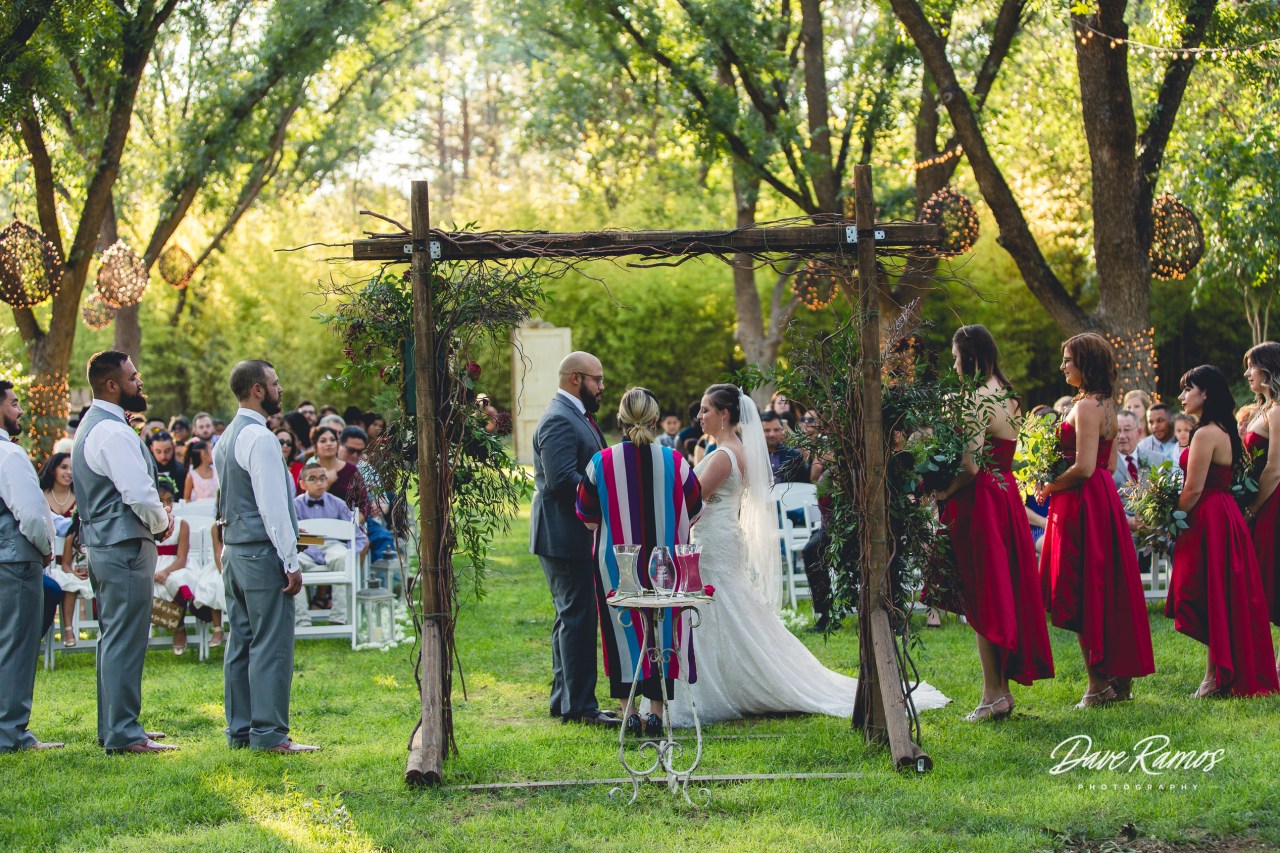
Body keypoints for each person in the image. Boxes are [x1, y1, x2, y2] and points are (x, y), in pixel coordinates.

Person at [668, 384, 949, 726]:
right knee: (726, 608)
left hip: (714, 541)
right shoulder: (733, 450)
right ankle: (720, 677)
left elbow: (691, 500)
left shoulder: (723, 455)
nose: (700, 416)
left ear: (724, 414)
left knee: (719, 607)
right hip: (719, 537)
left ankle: (719, 683)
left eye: (705, 410)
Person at [929, 326, 1054, 721]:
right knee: (1000, 591)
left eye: (955, 357)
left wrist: (943, 492)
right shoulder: (1008, 394)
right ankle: (1000, 692)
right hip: (1005, 495)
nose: (953, 365)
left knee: (982, 595)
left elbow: (969, 465)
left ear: (969, 357)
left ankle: (992, 696)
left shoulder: (975, 398)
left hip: (979, 500)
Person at [575, 388, 703, 737]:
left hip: (617, 564)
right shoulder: (675, 461)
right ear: (656, 420)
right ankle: (657, 713)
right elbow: (695, 509)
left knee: (622, 630)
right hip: (666, 564)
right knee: (662, 630)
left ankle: (629, 713)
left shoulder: (600, 462)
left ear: (620, 420)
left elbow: (587, 516)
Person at [1037, 335, 1155, 708]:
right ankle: (1116, 680)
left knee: (1082, 588)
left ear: (1084, 364)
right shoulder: (1107, 406)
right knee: (1103, 588)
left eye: (1067, 360)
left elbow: (1086, 467)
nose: (1062, 366)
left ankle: (1098, 686)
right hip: (1099, 499)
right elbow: (1110, 463)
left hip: (1082, 501)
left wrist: (1049, 485)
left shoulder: (1087, 406)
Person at [72, 351, 177, 754]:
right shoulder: (112, 431)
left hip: (105, 543)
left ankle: (114, 724)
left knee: (113, 636)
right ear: (112, 385)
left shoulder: (93, 425)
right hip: (125, 545)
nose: (140, 382)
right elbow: (138, 492)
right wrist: (161, 522)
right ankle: (125, 732)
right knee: (126, 639)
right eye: (133, 377)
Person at [215, 359, 318, 753]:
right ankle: (270, 734)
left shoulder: (226, 437)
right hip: (260, 552)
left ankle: (241, 730)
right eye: (275, 383)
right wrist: (290, 561)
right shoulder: (260, 438)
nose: (280, 389)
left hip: (234, 550)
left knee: (240, 642)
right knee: (271, 644)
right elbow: (273, 506)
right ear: (257, 389)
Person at [1167, 366, 1278, 697]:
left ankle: (1214, 677)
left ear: (1205, 393)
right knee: (1218, 593)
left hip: (1209, 516)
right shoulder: (1225, 429)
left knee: (1206, 591)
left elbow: (1193, 489)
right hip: (1224, 513)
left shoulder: (1205, 434)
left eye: (1188, 389)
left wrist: (1171, 519)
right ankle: (1214, 674)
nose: (1182, 396)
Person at [529, 351, 618, 727]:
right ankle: (580, 707)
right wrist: (611, 496)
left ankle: (564, 699)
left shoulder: (575, 415)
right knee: (578, 618)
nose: (602, 387)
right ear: (575, 378)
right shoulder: (559, 419)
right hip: (563, 534)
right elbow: (562, 479)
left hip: (570, 534)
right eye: (597, 380)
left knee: (571, 616)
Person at [0, 379, 62, 753]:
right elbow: (31, 513)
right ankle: (11, 734)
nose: (20, 409)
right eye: (13, 403)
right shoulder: (9, 454)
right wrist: (45, 549)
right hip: (14, 560)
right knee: (17, 647)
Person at [293, 461, 367, 627]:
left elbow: (358, 537)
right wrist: (315, 554)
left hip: (333, 547)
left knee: (342, 558)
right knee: (293, 563)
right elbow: (292, 536)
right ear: (303, 484)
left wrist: (350, 553)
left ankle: (339, 618)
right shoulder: (295, 505)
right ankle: (302, 620)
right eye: (313, 479)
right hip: (306, 550)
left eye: (322, 478)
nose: (319, 482)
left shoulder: (338, 504)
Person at [1242, 341, 1280, 629]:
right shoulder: (1264, 409)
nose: (1247, 373)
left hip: (1272, 501)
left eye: (1251, 366)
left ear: (1268, 368)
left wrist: (1252, 510)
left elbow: (1275, 469)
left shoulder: (1278, 411)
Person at [40, 453, 84, 646]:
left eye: (72, 468)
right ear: (53, 469)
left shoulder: (81, 498)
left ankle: (70, 631)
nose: (69, 472)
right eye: (64, 467)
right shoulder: (40, 496)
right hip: (47, 563)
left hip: (73, 562)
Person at [151, 476, 197, 655]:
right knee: (143, 592)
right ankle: (178, 623)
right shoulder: (146, 524)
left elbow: (182, 558)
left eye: (169, 500)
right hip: (151, 566)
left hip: (174, 567)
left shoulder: (181, 524)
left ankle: (178, 628)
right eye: (160, 501)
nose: (165, 505)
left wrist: (165, 572)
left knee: (178, 581)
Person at [761, 411, 809, 484]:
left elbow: (803, 484)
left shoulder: (794, 456)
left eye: (776, 430)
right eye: (767, 430)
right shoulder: (752, 456)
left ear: (782, 431)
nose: (772, 434)